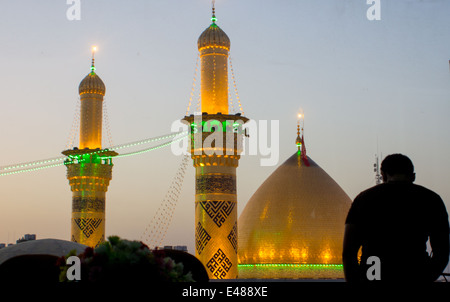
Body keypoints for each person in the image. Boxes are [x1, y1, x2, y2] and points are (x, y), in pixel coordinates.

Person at [343, 154, 449, 282]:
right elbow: (442, 252)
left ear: (383, 175)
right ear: (413, 176)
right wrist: (424, 277)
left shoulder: (363, 199)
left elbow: (349, 252)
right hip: (414, 273)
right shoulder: (431, 200)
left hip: (374, 273)